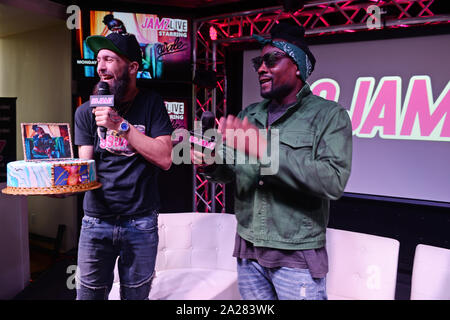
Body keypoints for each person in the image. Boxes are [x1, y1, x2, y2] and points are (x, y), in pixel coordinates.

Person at [192, 22, 352, 300]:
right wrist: (211, 163)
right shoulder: (249, 115)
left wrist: (263, 148)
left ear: (299, 66)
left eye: (271, 60)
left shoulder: (330, 115)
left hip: (296, 256)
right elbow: (229, 170)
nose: (261, 68)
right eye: (258, 62)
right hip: (248, 249)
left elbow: (332, 181)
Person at [74, 31, 173, 300]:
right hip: (96, 221)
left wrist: (121, 126)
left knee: (136, 295)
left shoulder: (151, 103)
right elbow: (85, 168)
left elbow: (165, 158)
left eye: (109, 58)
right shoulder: (86, 112)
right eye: (98, 60)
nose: (101, 67)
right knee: (89, 296)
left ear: (132, 67)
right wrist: (62, 184)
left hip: (140, 221)